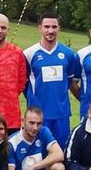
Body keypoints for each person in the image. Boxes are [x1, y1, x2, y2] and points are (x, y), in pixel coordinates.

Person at [23, 12, 76, 149]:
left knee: (61, 152)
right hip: (38, 116)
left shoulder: (69, 54)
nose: (50, 31)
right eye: (47, 27)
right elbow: (24, 83)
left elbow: (69, 81)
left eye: (54, 27)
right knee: (37, 153)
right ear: (40, 27)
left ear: (59, 28)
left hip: (61, 114)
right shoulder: (29, 54)